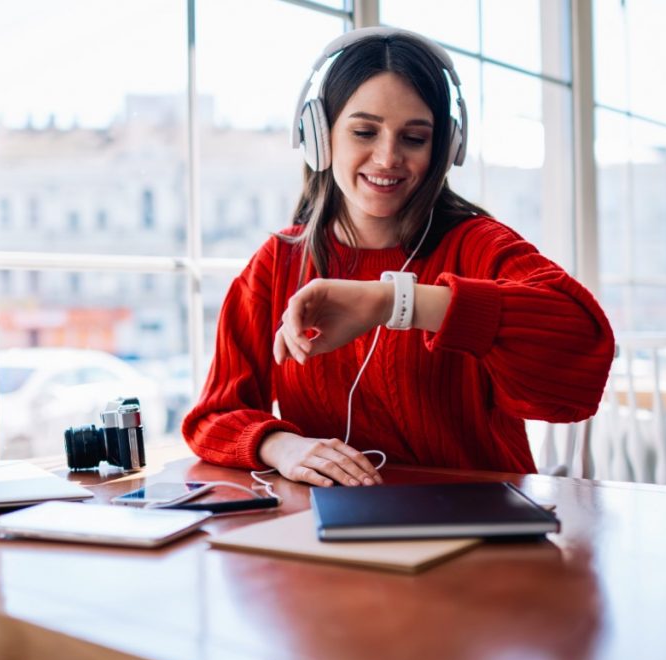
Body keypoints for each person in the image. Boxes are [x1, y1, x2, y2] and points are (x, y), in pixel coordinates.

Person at [183, 27, 615, 488]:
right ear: (319, 137)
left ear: (444, 150)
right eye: (365, 131)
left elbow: (582, 354)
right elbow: (214, 414)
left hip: (477, 519)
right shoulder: (278, 264)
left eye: (414, 138)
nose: (388, 157)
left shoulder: (477, 245)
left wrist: (395, 302)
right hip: (330, 530)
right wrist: (281, 445)